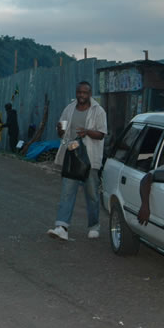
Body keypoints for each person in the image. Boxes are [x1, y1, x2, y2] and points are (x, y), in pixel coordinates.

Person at [47, 81, 107, 241]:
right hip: (72, 156)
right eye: (79, 92)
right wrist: (60, 130)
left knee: (92, 194)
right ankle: (62, 227)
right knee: (67, 192)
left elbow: (101, 134)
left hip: (90, 159)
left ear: (90, 94)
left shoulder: (98, 111)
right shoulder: (69, 108)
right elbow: (61, 131)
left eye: (85, 93)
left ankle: (94, 226)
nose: (81, 95)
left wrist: (87, 132)